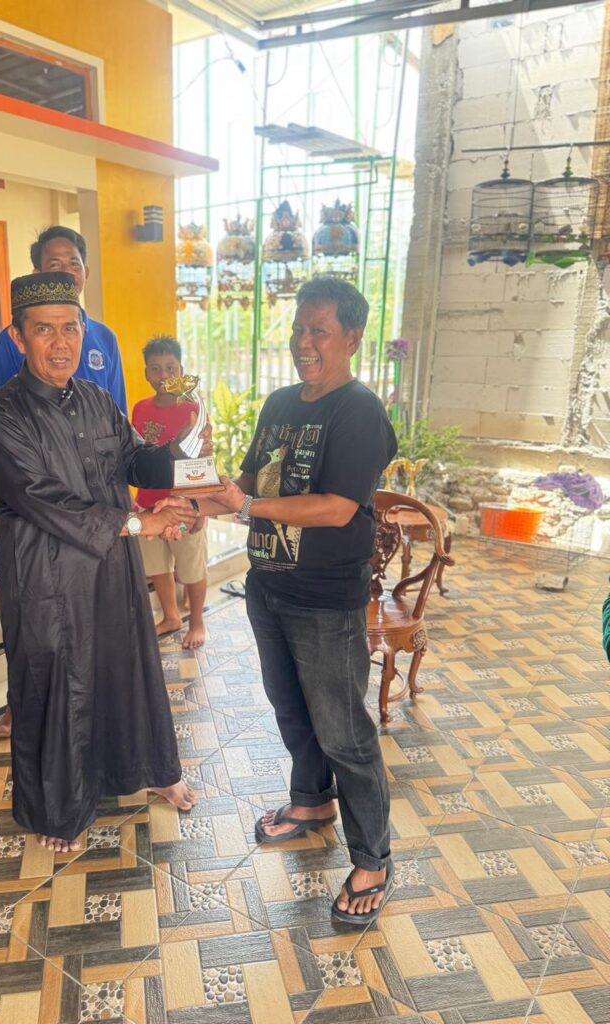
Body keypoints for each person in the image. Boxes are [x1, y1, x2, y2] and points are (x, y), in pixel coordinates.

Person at [0, 272, 201, 853]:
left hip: (110, 568)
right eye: (44, 330)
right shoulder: (2, 417)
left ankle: (149, 768)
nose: (61, 343)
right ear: (18, 337)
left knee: (126, 667)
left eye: (70, 328)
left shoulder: (98, 400)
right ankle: (59, 810)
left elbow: (136, 459)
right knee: (57, 684)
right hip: (47, 576)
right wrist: (141, 523)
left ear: (84, 332)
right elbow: (41, 497)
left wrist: (192, 467)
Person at [198, 277, 397, 926]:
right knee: (292, 711)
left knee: (344, 732)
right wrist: (196, 497)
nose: (304, 342)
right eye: (298, 329)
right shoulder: (281, 403)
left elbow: (337, 508)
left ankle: (373, 858)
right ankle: (311, 801)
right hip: (269, 586)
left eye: (319, 331)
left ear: (352, 338)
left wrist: (247, 506)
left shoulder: (359, 412)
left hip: (325, 599)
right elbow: (248, 483)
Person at [0, 226, 127, 414]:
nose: (67, 273)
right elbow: (8, 407)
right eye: (55, 265)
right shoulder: (14, 338)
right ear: (37, 274)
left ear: (86, 272)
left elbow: (118, 411)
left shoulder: (105, 337)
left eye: (74, 264)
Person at [132, 337, 208, 649]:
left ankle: (197, 622)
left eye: (170, 368)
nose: (163, 375)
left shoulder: (192, 408)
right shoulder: (140, 409)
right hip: (148, 505)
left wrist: (200, 507)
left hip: (183, 507)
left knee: (191, 565)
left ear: (181, 371)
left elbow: (203, 460)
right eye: (155, 368)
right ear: (146, 373)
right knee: (157, 566)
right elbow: (134, 457)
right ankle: (171, 616)